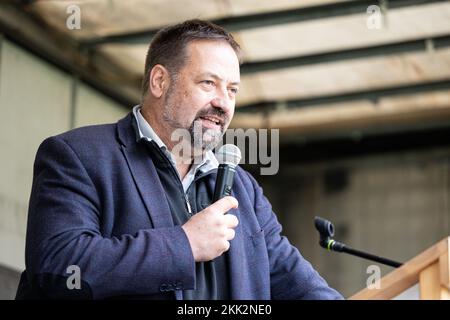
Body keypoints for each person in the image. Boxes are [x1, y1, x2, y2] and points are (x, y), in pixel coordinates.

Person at [15, 19, 343, 300]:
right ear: (160, 81)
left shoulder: (245, 190)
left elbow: (293, 281)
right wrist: (184, 245)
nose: (223, 104)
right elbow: (59, 268)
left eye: (232, 90)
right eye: (208, 83)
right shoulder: (80, 156)